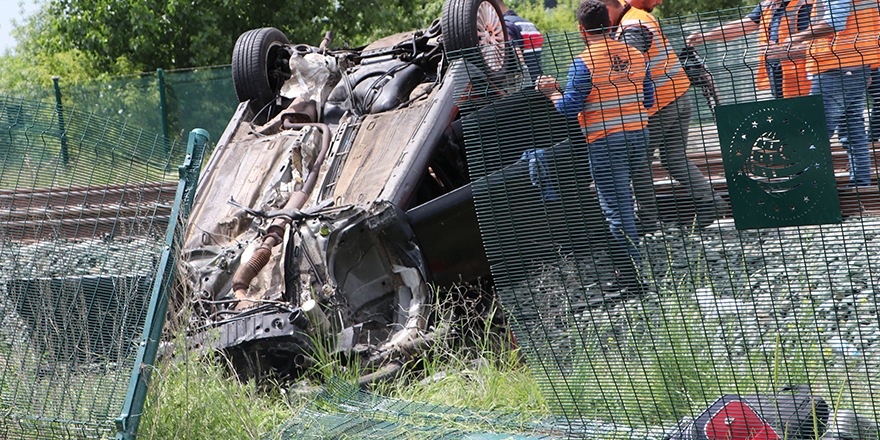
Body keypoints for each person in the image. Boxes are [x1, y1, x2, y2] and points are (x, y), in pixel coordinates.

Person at [535, 0, 653, 269]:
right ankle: (631, 265)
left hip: (607, 142)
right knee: (623, 202)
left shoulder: (584, 62)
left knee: (617, 209)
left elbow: (569, 107)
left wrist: (552, 92)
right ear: (611, 24)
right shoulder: (636, 55)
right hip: (639, 135)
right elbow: (648, 99)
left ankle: (630, 277)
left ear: (581, 29)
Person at [612, 0, 728, 231]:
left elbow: (630, 65)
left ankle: (647, 219)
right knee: (673, 156)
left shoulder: (632, 24)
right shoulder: (638, 18)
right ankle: (711, 202)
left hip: (659, 105)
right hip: (679, 96)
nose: (660, 2)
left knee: (639, 161)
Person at [782, 0, 880, 187]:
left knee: (815, 127)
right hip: (855, 62)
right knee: (852, 130)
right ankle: (860, 186)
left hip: (836, 66)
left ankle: (809, 188)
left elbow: (835, 22)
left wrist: (796, 37)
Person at [686, 0, 814, 100]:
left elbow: (816, 45)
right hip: (779, 79)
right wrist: (707, 36)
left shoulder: (804, 6)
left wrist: (784, 52)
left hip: (803, 83)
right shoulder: (767, 5)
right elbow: (742, 25)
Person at [499, 0, 545, 82]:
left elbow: (516, 50)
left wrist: (525, 76)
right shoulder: (528, 23)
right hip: (539, 78)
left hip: (524, 82)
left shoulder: (506, 24)